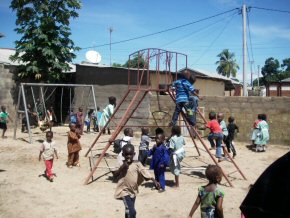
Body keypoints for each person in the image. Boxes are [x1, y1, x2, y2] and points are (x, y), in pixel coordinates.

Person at [113, 144, 160, 218]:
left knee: (128, 210)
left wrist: (154, 180)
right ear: (123, 154)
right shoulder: (121, 163)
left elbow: (144, 172)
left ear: (134, 154)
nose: (128, 156)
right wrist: (122, 168)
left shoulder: (137, 163)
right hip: (124, 191)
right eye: (126, 154)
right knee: (132, 212)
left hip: (133, 190)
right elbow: (114, 174)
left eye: (130, 154)